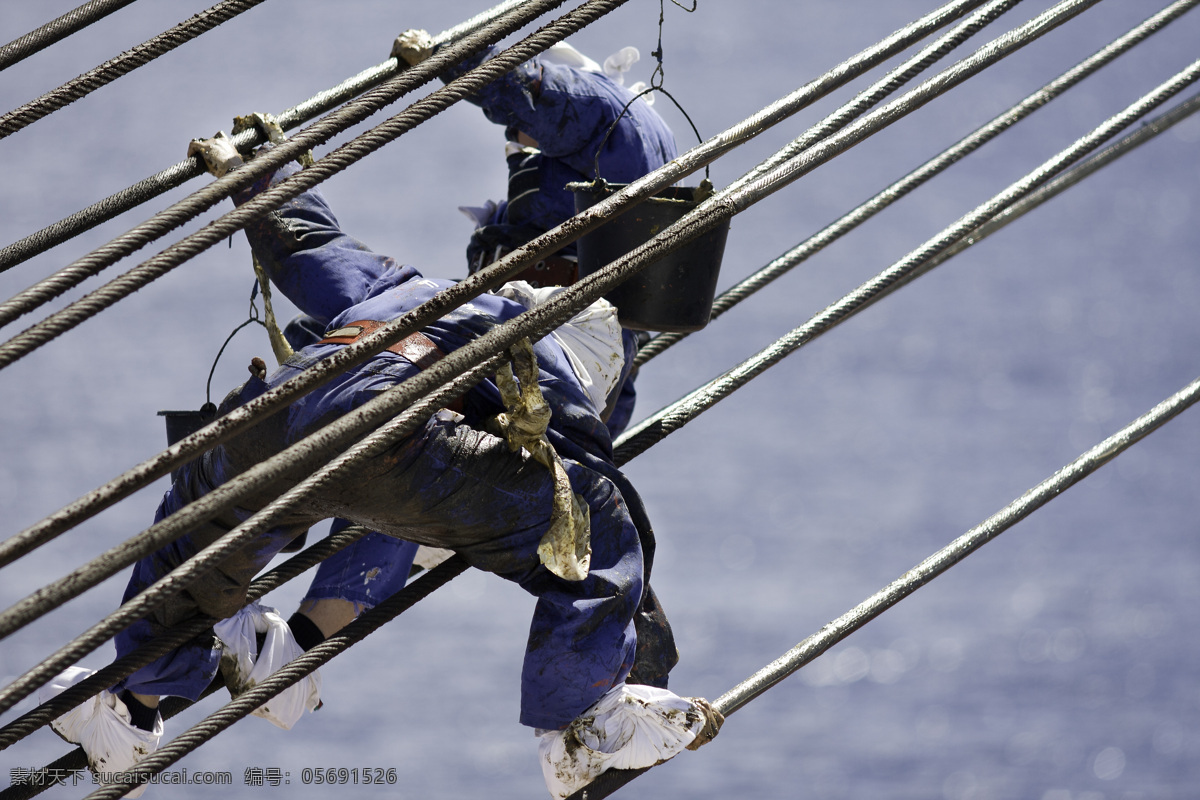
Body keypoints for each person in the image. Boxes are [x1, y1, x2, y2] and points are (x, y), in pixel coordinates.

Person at [42, 54, 719, 796]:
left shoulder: (407, 289)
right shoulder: (559, 333)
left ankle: (129, 705)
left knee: (195, 522)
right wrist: (482, 71)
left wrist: (258, 178)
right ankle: (580, 728)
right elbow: (567, 479)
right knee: (595, 521)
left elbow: (310, 248)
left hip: (276, 417)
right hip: (390, 440)